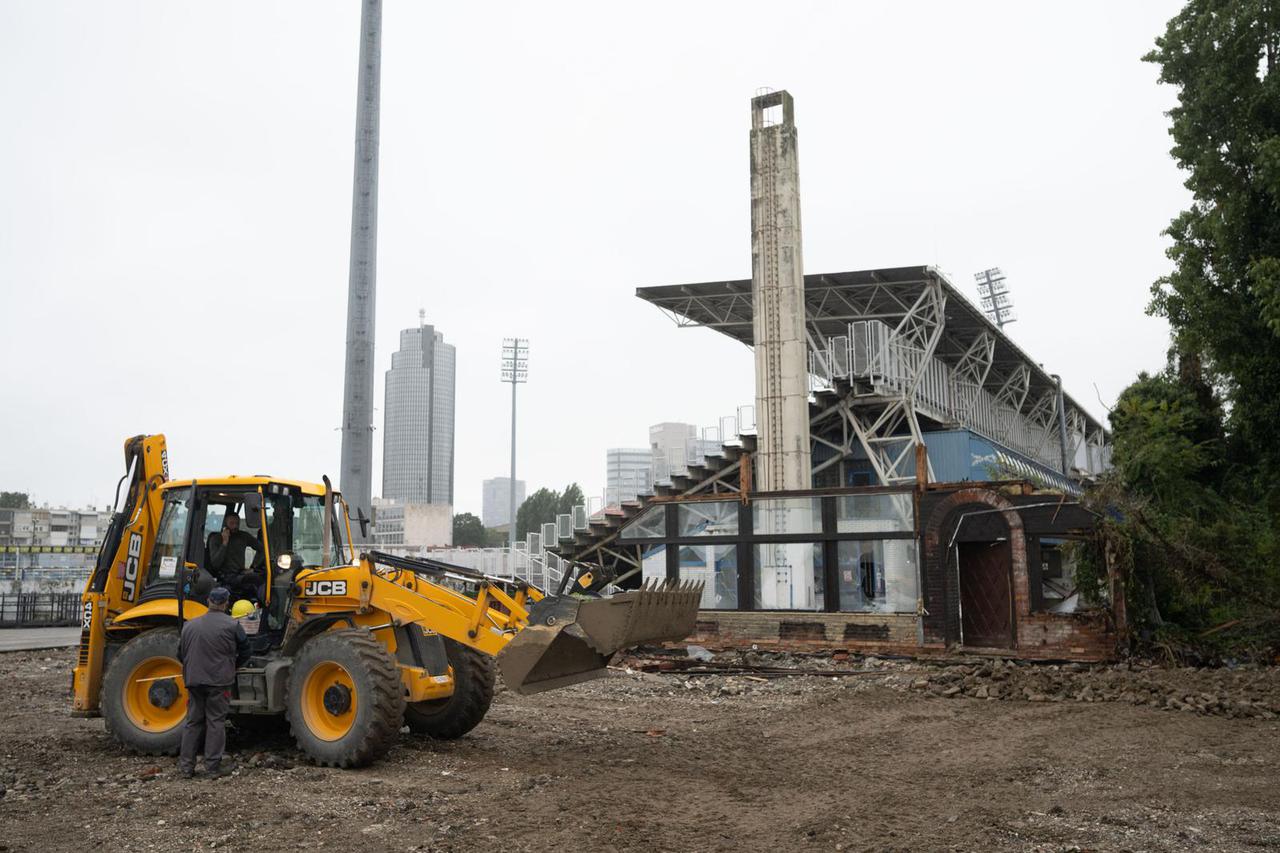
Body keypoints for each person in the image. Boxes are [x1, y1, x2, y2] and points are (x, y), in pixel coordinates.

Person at [177, 586, 250, 778]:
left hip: (193, 681)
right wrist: (234, 666)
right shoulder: (232, 625)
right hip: (219, 682)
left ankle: (186, 767)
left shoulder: (190, 625)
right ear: (226, 603)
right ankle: (212, 767)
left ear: (208, 601)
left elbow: (180, 654)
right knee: (216, 721)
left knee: (193, 722)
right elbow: (246, 651)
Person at [207, 512, 263, 601]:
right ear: (225, 524)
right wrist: (224, 543)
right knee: (255, 579)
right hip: (224, 576)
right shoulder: (216, 539)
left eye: (237, 523)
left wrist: (254, 567)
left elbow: (262, 549)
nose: (235, 526)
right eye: (232, 523)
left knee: (261, 577)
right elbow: (215, 564)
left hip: (240, 574)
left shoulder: (243, 536)